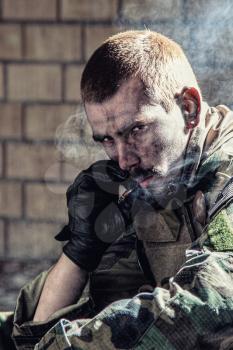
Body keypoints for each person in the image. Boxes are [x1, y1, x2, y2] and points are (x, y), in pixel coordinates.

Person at [12, 30, 233, 349]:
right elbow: (45, 326)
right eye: (106, 140)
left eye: (136, 130)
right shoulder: (155, 179)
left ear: (188, 108)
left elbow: (210, 301)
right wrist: (80, 251)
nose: (124, 159)